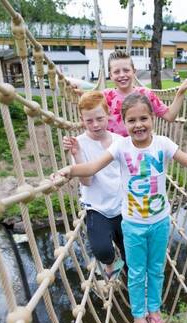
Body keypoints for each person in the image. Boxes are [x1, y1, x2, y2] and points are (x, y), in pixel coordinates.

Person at [53, 93, 187, 323]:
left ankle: (154, 310)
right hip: (132, 224)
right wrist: (68, 169)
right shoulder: (120, 146)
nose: (138, 124)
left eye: (144, 118)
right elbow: (91, 168)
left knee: (156, 269)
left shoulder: (163, 144)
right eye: (131, 120)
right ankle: (138, 315)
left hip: (159, 222)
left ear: (153, 118)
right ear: (123, 122)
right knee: (136, 271)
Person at [63, 91, 125, 281]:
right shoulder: (79, 143)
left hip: (123, 206)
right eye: (89, 121)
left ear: (108, 115)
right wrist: (77, 154)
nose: (95, 124)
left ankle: (135, 292)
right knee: (102, 250)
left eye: (99, 118)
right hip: (96, 208)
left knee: (131, 254)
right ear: (82, 120)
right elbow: (86, 181)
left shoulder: (120, 142)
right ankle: (110, 263)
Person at [103, 50, 187, 137]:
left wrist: (181, 92)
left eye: (126, 70)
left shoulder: (145, 94)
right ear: (110, 75)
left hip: (140, 148)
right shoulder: (104, 97)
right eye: (116, 72)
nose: (122, 75)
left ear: (134, 72)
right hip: (113, 150)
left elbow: (170, 116)